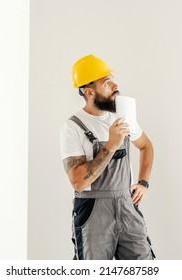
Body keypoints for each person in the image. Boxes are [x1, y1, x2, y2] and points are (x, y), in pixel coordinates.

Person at [60, 54, 155, 260]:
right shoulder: (73, 127)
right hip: (93, 210)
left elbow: (146, 146)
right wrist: (111, 145)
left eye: (112, 79)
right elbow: (77, 181)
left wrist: (143, 182)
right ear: (89, 91)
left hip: (126, 204)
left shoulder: (123, 119)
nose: (115, 86)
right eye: (107, 82)